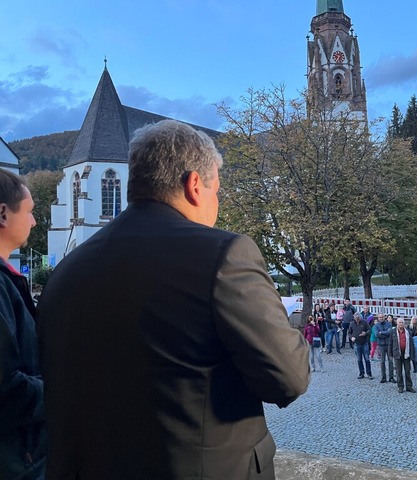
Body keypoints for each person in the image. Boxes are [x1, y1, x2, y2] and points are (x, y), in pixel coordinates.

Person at [37, 120, 310, 480]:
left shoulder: (66, 270)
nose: (217, 203)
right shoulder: (225, 255)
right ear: (195, 185)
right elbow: (287, 378)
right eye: (217, 191)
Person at [0, 170, 46, 480]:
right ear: (3, 213)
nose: (33, 222)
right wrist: (63, 388)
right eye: (29, 212)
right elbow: (6, 387)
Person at [389, 317, 415, 393]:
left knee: (407, 371)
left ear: (404, 324)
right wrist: (390, 354)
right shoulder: (393, 332)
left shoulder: (408, 332)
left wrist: (412, 354)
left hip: (406, 354)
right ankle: (400, 386)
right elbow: (390, 343)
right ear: (397, 323)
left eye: (402, 322)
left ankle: (409, 386)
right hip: (397, 353)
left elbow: (411, 344)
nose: (401, 324)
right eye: (399, 322)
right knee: (398, 371)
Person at [348, 313, 372, 379]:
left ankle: (369, 373)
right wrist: (351, 337)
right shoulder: (352, 323)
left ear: (360, 318)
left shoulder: (364, 322)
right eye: (356, 319)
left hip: (364, 343)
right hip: (356, 343)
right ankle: (361, 373)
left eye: (358, 319)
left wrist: (365, 333)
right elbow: (349, 332)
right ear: (354, 318)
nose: (357, 320)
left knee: (367, 359)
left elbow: (369, 330)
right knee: (359, 359)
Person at [375, 314, 395, 383]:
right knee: (382, 361)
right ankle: (383, 377)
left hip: (389, 344)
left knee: (390, 361)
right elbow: (376, 334)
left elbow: (390, 332)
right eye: (380, 317)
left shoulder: (389, 324)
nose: (381, 318)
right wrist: (385, 334)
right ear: (378, 318)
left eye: (382, 317)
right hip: (381, 345)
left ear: (384, 317)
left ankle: (391, 377)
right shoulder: (376, 325)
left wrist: (382, 333)